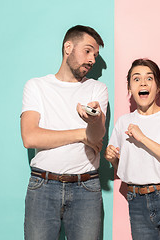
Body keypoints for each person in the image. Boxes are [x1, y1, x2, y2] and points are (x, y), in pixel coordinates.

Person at [20, 25, 108, 240]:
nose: (92, 60)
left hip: (86, 188)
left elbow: (96, 138)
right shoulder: (36, 86)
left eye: (95, 55)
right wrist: (80, 133)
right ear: (68, 47)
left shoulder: (97, 89)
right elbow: (30, 137)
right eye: (88, 51)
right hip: (43, 186)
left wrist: (93, 120)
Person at [105, 58, 160, 239]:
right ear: (129, 88)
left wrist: (143, 138)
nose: (143, 83)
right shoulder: (123, 122)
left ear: (158, 86)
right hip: (137, 202)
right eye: (136, 79)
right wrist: (113, 158)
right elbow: (125, 170)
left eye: (149, 78)